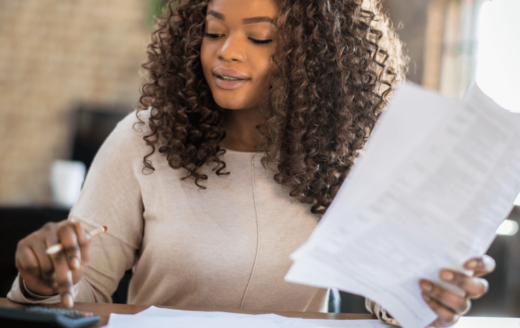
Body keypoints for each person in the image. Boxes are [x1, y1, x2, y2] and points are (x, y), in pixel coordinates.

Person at [7, 0, 495, 327]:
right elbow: (81, 293)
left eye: (259, 38)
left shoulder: (352, 158)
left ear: (317, 57)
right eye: (213, 31)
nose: (226, 51)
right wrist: (42, 281)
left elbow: (388, 303)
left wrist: (426, 299)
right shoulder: (144, 140)